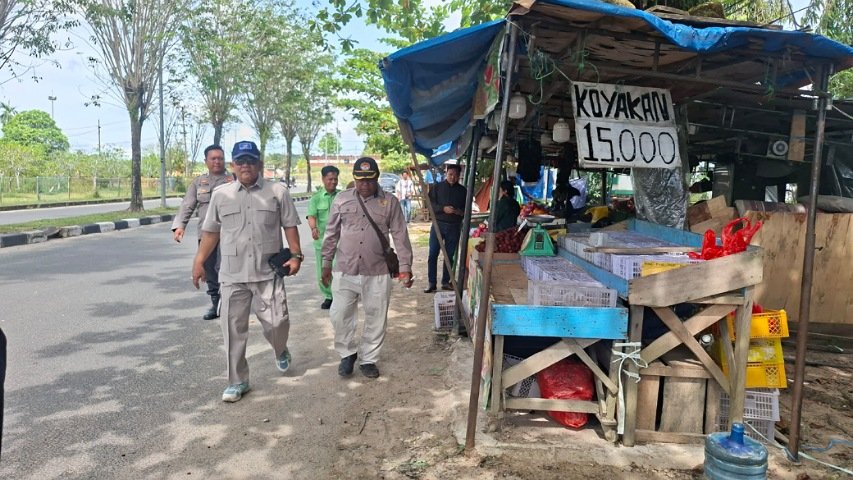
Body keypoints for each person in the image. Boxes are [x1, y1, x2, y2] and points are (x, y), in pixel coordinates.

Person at [192, 140, 304, 403]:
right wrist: (199, 261)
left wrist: (296, 255)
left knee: (277, 323)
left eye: (250, 161)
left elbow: (289, 226)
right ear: (233, 165)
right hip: (233, 274)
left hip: (268, 272)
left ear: (259, 164)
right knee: (232, 331)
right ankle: (237, 381)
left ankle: (280, 348)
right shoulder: (221, 195)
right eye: (240, 161)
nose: (246, 166)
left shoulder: (277, 192)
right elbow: (211, 232)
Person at [321, 157, 414, 379]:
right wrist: (326, 262)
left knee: (376, 316)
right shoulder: (342, 200)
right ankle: (347, 353)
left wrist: (405, 267)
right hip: (345, 268)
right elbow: (331, 233)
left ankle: (368, 359)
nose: (365, 185)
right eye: (360, 180)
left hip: (377, 270)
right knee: (339, 314)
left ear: (377, 178)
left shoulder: (390, 202)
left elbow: (400, 235)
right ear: (354, 179)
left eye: (369, 180)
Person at [172, 145, 234, 320]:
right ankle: (216, 303)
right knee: (209, 268)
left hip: (230, 233)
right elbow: (187, 204)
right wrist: (180, 226)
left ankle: (230, 303)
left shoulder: (234, 180)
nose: (217, 161)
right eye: (213, 158)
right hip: (206, 234)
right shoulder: (199, 182)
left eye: (220, 158)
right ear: (206, 161)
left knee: (227, 268)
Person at [424, 163, 466, 293]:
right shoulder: (437, 187)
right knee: (433, 254)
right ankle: (432, 282)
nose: (453, 177)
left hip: (454, 226)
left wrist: (459, 212)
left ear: (459, 176)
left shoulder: (463, 191)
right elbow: (429, 205)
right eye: (450, 174)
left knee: (449, 255)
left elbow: (466, 209)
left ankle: (446, 282)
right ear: (446, 174)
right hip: (438, 225)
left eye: (456, 175)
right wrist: (443, 209)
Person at [306, 165, 340, 310]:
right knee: (323, 271)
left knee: (338, 270)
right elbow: (311, 216)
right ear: (323, 179)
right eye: (330, 179)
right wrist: (313, 228)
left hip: (340, 242)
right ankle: (328, 296)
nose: (333, 182)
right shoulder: (316, 198)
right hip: (322, 243)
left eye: (335, 179)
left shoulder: (342, 196)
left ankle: (339, 295)